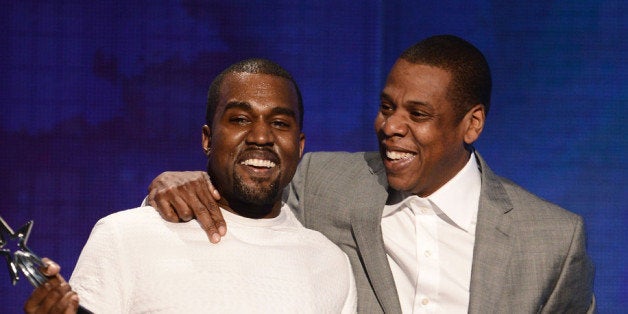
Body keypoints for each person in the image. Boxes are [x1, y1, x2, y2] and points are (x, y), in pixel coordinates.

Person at [146, 35, 596, 313]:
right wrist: (176, 183)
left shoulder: (551, 239)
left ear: (471, 124)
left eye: (417, 113)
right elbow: (247, 184)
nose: (390, 126)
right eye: (386, 107)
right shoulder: (323, 180)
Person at [23, 58, 357, 313]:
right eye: (240, 119)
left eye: (280, 123)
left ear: (298, 147)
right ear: (208, 139)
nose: (260, 136)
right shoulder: (124, 237)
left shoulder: (330, 263)